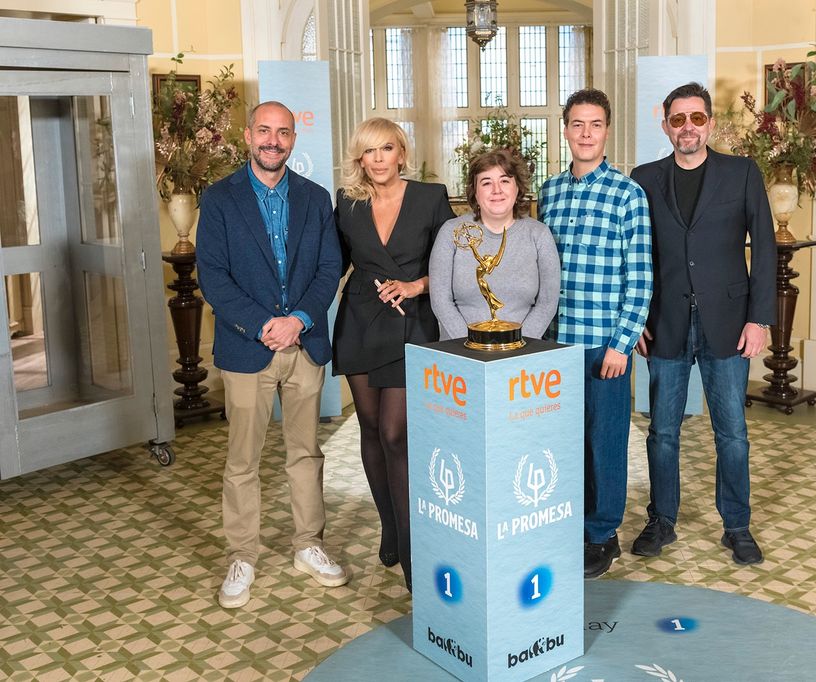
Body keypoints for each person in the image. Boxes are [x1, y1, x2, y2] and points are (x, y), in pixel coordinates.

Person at [196, 101, 346, 609]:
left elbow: (330, 268)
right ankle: (242, 554)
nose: (274, 141)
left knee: (306, 453)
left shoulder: (315, 198)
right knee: (243, 460)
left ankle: (309, 544)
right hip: (247, 347)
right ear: (248, 136)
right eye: (265, 131)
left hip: (305, 346)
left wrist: (298, 320)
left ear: (293, 139)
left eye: (283, 132)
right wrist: (264, 325)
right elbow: (213, 277)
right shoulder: (218, 200)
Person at [629, 82, 776, 565]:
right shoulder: (644, 178)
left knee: (732, 432)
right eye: (678, 119)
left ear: (710, 123)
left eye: (697, 118)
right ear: (666, 124)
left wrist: (759, 319)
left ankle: (737, 525)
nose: (687, 127)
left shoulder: (742, 173)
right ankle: (662, 520)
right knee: (662, 432)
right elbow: (635, 254)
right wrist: (637, 320)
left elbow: (766, 249)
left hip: (730, 323)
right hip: (666, 322)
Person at [332, 117, 455, 591]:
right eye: (369, 151)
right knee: (368, 429)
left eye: (387, 148)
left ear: (402, 153)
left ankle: (411, 547)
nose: (378, 159)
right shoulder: (347, 202)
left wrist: (417, 284)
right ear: (360, 158)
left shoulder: (430, 196)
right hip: (360, 322)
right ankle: (388, 523)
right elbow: (333, 261)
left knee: (395, 432)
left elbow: (450, 262)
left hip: (411, 322)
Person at [539, 89, 653, 579]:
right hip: (557, 344)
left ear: (608, 131)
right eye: (577, 124)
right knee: (565, 442)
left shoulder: (628, 194)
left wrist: (622, 344)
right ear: (565, 130)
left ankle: (603, 533)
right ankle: (573, 523)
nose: (586, 133)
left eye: (596, 124)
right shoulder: (548, 193)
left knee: (605, 441)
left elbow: (641, 277)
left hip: (604, 346)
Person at [430, 149, 560, 340]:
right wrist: (472, 344)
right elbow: (440, 300)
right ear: (475, 191)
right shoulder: (451, 232)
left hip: (522, 355)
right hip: (461, 354)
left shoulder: (539, 234)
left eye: (505, 181)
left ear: (518, 188)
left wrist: (516, 344)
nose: (496, 190)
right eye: (486, 182)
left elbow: (547, 302)